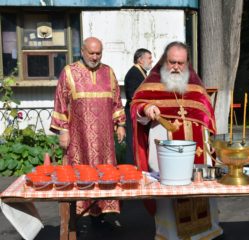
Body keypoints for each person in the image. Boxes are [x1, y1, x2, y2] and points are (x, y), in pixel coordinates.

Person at [131, 41, 222, 239]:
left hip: (198, 151)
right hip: (165, 150)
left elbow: (207, 112)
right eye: (172, 62)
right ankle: (171, 235)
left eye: (181, 63)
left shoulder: (195, 83)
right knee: (169, 195)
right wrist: (146, 108)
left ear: (187, 62)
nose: (176, 67)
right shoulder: (152, 82)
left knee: (201, 190)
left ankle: (207, 233)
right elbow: (136, 105)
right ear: (165, 60)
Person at [50, 37, 126, 219]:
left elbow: (116, 101)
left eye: (98, 53)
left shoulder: (108, 72)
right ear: (82, 51)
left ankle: (102, 211)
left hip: (105, 138)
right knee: (79, 172)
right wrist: (63, 130)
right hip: (79, 137)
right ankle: (77, 214)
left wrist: (121, 124)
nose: (94, 56)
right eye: (91, 53)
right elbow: (61, 102)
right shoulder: (69, 72)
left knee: (105, 171)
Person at [124, 48, 152, 164]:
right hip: (134, 114)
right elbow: (134, 96)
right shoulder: (134, 74)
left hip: (141, 115)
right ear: (140, 60)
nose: (151, 60)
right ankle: (131, 168)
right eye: (149, 58)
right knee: (134, 144)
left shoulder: (141, 72)